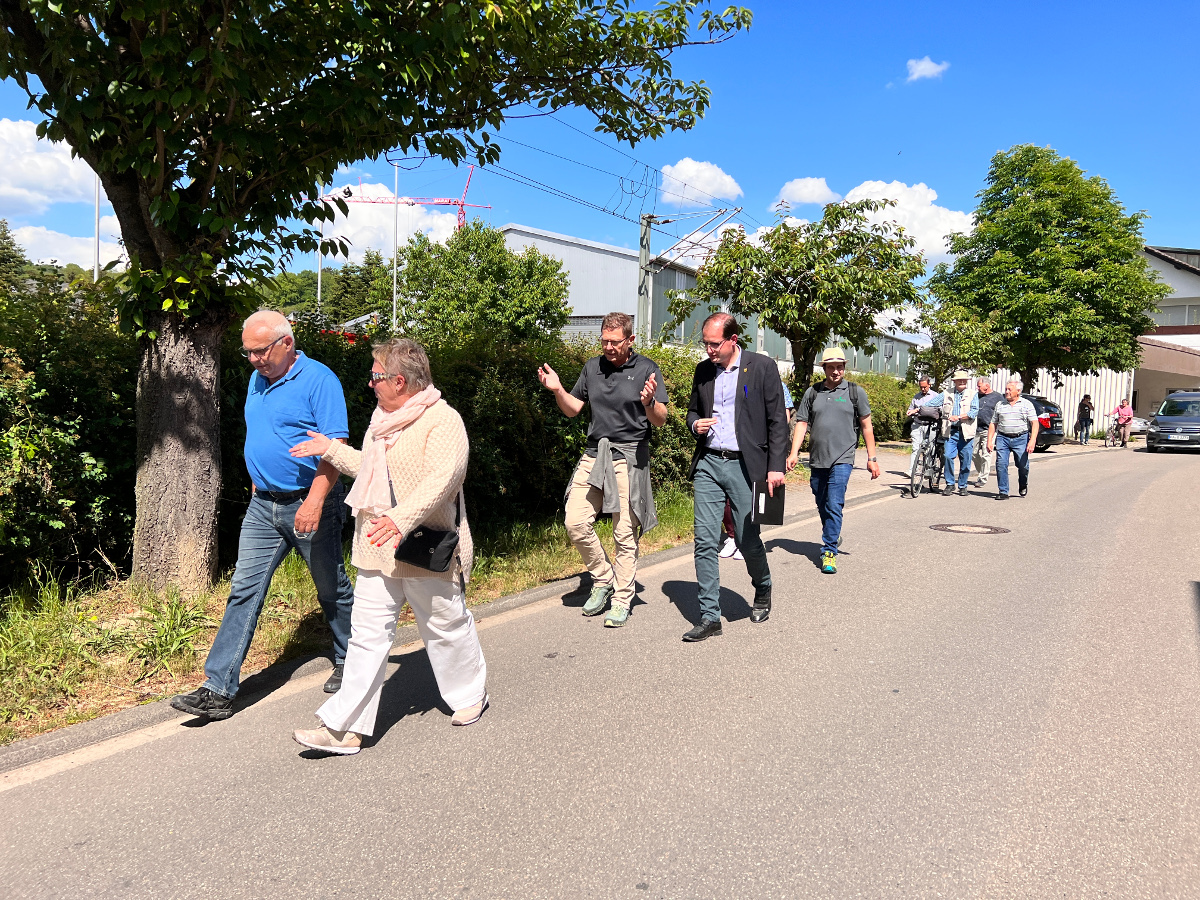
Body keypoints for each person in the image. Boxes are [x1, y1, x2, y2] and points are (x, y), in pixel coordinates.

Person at [291, 338, 487, 755]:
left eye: (376, 376)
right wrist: (332, 450)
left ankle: (469, 694)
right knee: (366, 637)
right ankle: (344, 729)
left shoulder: (443, 420)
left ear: (400, 381)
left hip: (422, 545)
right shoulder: (383, 420)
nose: (370, 384)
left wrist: (400, 519)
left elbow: (443, 479)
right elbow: (375, 470)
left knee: (445, 626)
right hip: (376, 546)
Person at [169, 312, 354, 722]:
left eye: (260, 350)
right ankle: (218, 689)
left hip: (310, 502)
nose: (253, 359)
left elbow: (336, 447)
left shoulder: (320, 380)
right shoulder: (258, 378)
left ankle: (352, 659)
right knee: (243, 591)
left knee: (330, 586)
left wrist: (315, 501)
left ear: (286, 343)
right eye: (247, 351)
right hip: (262, 506)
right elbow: (262, 433)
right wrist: (257, 480)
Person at [537, 312, 667, 628]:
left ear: (630, 340)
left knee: (624, 533)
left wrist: (649, 403)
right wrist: (557, 390)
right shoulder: (592, 368)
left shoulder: (647, 369)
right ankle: (603, 577)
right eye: (604, 341)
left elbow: (661, 418)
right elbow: (574, 410)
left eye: (615, 341)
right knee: (575, 521)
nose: (608, 347)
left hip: (629, 456)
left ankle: (622, 599)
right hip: (595, 454)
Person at [684, 312, 788, 640]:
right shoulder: (703, 370)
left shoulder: (761, 367)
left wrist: (775, 466)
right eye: (705, 343)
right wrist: (693, 424)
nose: (709, 350)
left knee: (747, 538)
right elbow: (692, 410)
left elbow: (777, 421)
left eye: (714, 344)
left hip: (747, 466)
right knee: (705, 539)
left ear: (733, 340)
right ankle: (710, 616)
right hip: (709, 463)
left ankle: (763, 587)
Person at [787, 347, 881, 574]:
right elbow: (801, 424)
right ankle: (833, 532)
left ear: (844, 368)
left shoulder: (854, 392)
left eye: (840, 367)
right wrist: (793, 453)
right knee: (821, 501)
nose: (836, 371)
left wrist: (872, 457)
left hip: (843, 457)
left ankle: (829, 551)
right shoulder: (813, 392)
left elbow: (867, 426)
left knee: (834, 502)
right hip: (817, 458)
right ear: (824, 368)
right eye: (831, 367)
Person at [719, 376, 794, 561]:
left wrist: (777, 452)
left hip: (763, 448)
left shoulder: (779, 386)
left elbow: (782, 419)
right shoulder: (739, 381)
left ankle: (748, 539)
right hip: (737, 446)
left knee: (753, 495)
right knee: (727, 496)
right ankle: (732, 536)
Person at [987, 378, 1040, 500]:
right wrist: (990, 441)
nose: (1006, 392)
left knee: (1023, 466)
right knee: (1001, 464)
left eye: (1009, 389)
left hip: (1021, 438)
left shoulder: (1026, 404)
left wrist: (1032, 441)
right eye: (1006, 389)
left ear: (1018, 391)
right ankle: (1003, 491)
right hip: (1003, 438)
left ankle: (1023, 483)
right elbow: (993, 423)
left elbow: (1035, 423)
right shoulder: (1000, 405)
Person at [940, 370, 978, 496]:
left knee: (965, 460)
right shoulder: (946, 393)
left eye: (964, 380)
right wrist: (918, 408)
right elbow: (932, 403)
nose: (962, 382)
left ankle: (963, 485)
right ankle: (950, 484)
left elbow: (974, 412)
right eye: (960, 380)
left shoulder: (973, 394)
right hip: (951, 431)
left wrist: (959, 417)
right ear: (954, 381)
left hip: (966, 432)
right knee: (947, 456)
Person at [905, 376, 943, 477]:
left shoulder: (936, 396)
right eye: (921, 387)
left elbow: (941, 410)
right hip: (917, 425)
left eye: (925, 387)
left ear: (929, 385)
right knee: (915, 448)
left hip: (931, 426)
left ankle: (928, 470)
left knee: (931, 448)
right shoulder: (916, 397)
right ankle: (912, 470)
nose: (922, 389)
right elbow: (911, 409)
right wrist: (909, 412)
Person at [972, 378, 1002, 486]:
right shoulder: (976, 396)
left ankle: (982, 478)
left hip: (989, 429)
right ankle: (982, 471)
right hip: (975, 429)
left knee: (986, 454)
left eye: (979, 386)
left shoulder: (998, 397)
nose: (978, 388)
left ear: (987, 386)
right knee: (973, 453)